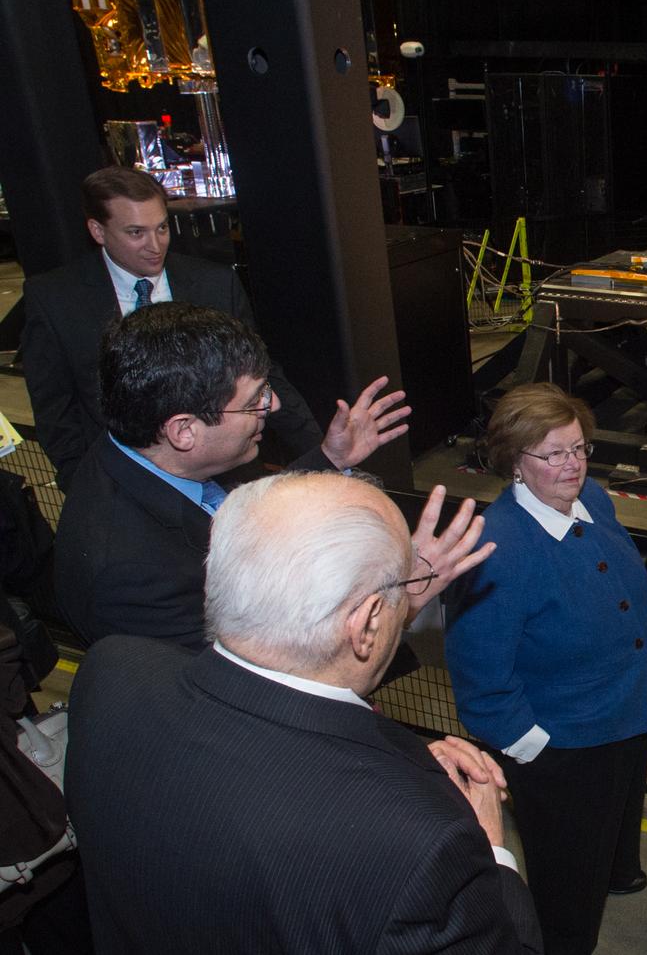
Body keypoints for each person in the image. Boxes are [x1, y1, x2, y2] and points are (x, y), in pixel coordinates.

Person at [65, 470, 541, 954]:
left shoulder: (112, 671)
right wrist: (492, 849)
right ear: (366, 623)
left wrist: (393, 605)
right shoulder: (423, 841)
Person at [54, 302, 471, 651]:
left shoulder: (142, 450)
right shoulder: (131, 578)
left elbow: (253, 516)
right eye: (254, 401)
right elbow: (259, 671)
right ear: (184, 431)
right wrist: (404, 599)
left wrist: (330, 456)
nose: (271, 408)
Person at [446, 383, 647, 955]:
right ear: (515, 462)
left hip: (628, 710)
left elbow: (616, 579)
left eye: (580, 447)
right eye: (555, 454)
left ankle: (619, 872)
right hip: (564, 747)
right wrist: (534, 748)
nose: (574, 465)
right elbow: (480, 676)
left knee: (615, 821)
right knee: (567, 883)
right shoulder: (498, 548)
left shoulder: (594, 498)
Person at [22, 165, 321, 490]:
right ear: (98, 231)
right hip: (122, 484)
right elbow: (55, 410)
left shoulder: (215, 284)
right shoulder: (55, 298)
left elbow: (262, 374)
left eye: (162, 228)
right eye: (136, 233)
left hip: (225, 478)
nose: (155, 245)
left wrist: (321, 450)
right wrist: (84, 483)